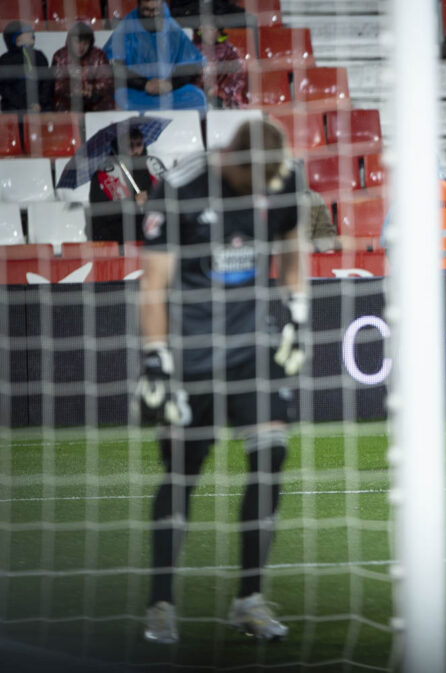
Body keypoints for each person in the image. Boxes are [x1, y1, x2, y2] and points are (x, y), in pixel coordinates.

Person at [135, 118, 306, 644]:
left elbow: (294, 247)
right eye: (251, 178)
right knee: (184, 472)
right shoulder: (181, 191)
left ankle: (248, 599)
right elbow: (154, 283)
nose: (259, 189)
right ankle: (160, 604)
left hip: (251, 353)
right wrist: (156, 358)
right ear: (232, 159)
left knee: (271, 455)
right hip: (191, 357)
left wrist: (296, 312)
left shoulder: (280, 184)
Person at [104, 0, 207, 111]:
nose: (152, 14)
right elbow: (113, 65)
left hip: (169, 90)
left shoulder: (171, 26)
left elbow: (191, 65)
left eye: (156, 10)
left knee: (197, 97)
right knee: (119, 100)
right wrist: (144, 84)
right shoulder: (126, 27)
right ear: (139, 6)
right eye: (147, 10)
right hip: (136, 90)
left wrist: (169, 84)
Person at [89, 127, 167, 243]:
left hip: (152, 228)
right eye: (130, 145)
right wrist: (133, 203)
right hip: (118, 234)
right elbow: (100, 217)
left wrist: (151, 198)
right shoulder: (103, 176)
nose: (136, 149)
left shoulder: (154, 165)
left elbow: (171, 195)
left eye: (139, 144)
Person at [51, 22, 115, 112]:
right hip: (68, 105)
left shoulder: (99, 55)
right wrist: (78, 90)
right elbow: (58, 85)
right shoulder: (60, 56)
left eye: (85, 43)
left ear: (90, 42)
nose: (81, 47)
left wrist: (93, 89)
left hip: (95, 103)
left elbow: (107, 82)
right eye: (77, 42)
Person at [0, 21, 52, 113]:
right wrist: (24, 105)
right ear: (17, 38)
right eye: (26, 32)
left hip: (40, 108)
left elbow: (47, 82)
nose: (31, 34)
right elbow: (5, 88)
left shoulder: (39, 56)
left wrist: (40, 102)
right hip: (15, 110)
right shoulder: (6, 60)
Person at [193, 24, 248, 109]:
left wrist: (220, 92)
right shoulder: (192, 48)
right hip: (195, 97)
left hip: (219, 99)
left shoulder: (230, 52)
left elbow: (237, 78)